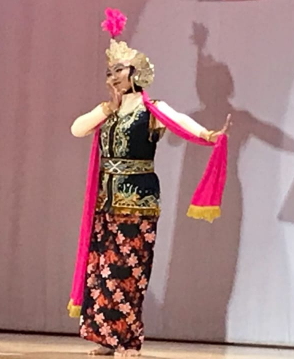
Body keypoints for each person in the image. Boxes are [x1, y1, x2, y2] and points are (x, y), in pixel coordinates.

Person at [69, 37, 230, 356]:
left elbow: (179, 121)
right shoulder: (108, 112)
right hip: (106, 203)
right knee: (101, 270)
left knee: (128, 271)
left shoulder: (151, 109)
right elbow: (77, 128)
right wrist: (107, 107)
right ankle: (106, 338)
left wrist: (207, 135)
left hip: (138, 202)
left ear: (135, 72)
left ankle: (128, 340)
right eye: (109, 71)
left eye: (119, 70)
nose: (113, 76)